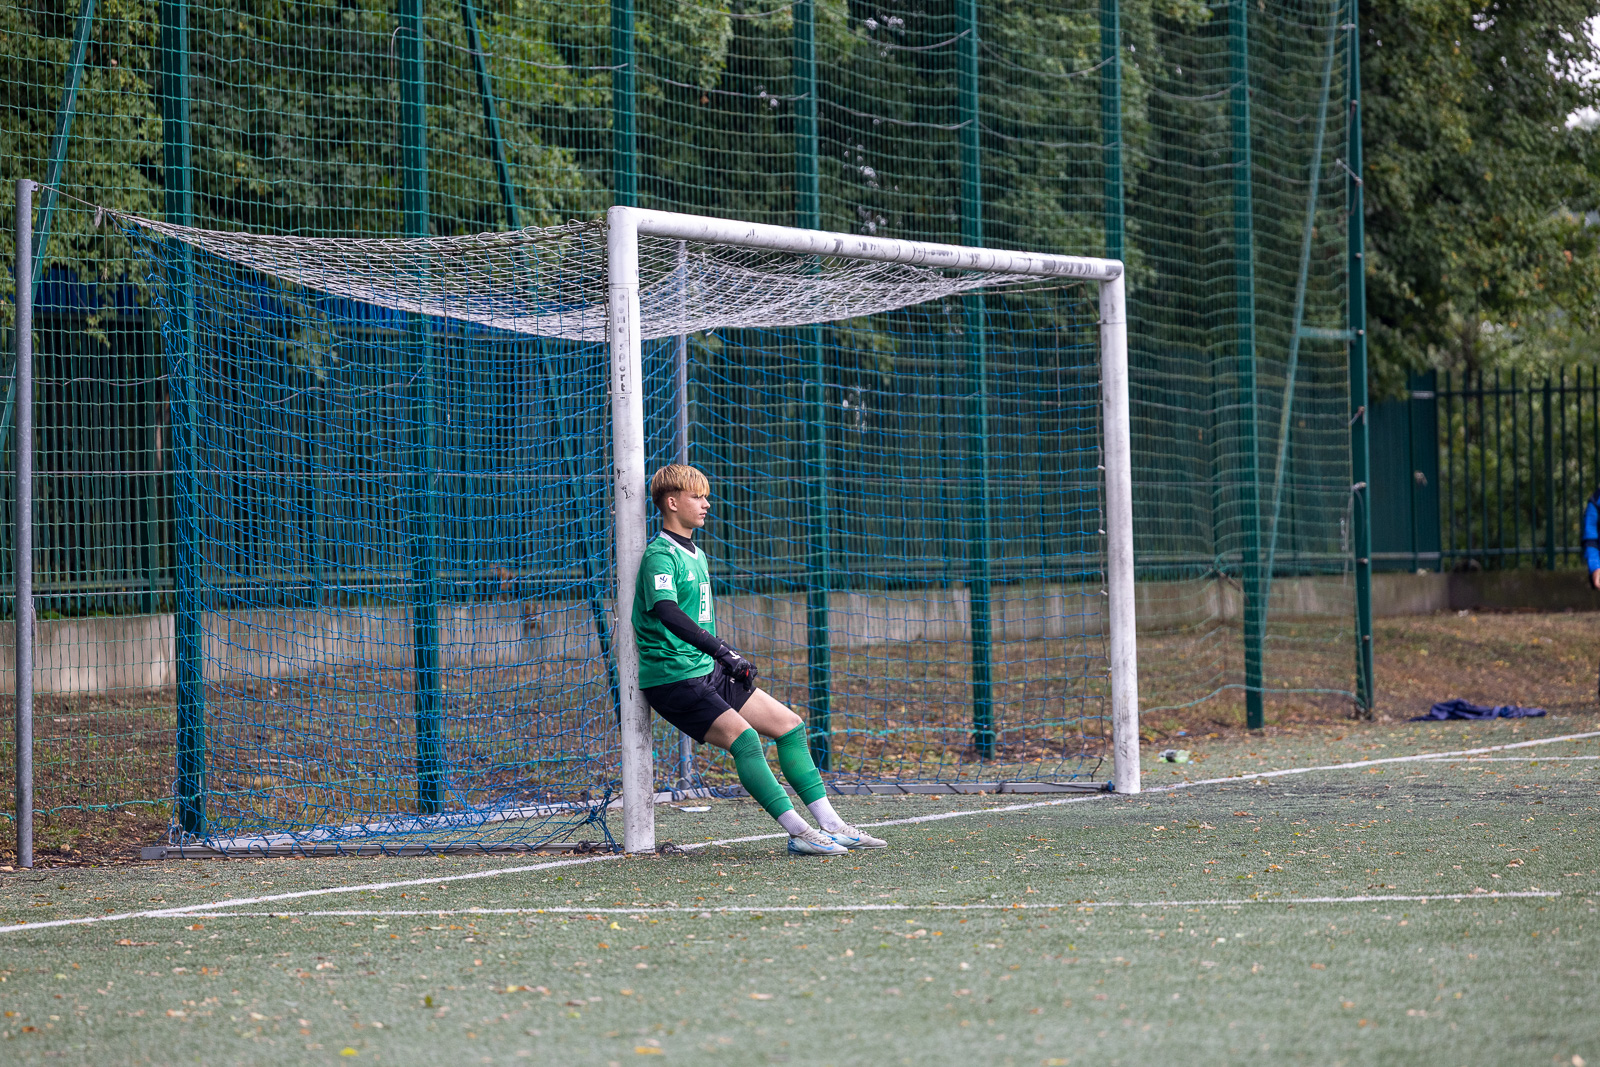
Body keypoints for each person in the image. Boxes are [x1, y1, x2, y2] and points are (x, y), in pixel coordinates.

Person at [632, 463, 886, 856]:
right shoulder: (659, 555)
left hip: (706, 669)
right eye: (697, 497)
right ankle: (799, 833)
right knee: (746, 740)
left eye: (706, 496)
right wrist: (723, 651)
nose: (706, 504)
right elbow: (668, 612)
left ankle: (834, 826)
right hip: (673, 677)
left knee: (790, 726)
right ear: (672, 502)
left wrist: (724, 660)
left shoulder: (695, 553)